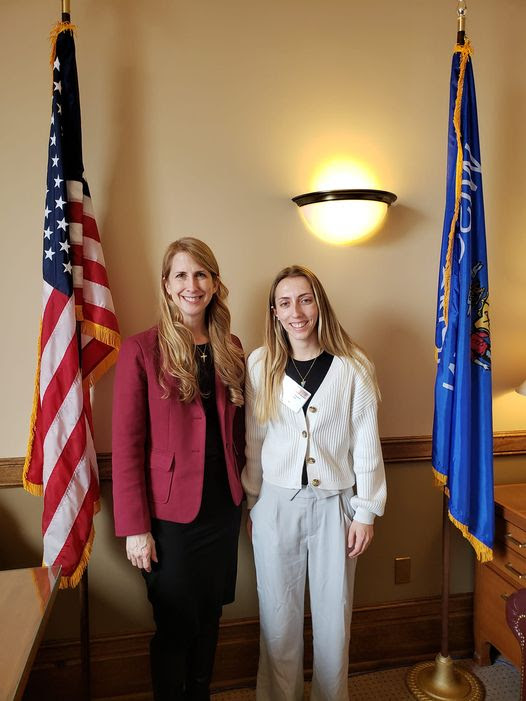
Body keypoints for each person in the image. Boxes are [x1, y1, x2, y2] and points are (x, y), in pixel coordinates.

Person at [242, 265, 386, 701]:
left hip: (336, 507)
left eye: (305, 299)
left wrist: (365, 511)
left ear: (319, 303)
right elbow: (254, 438)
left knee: (332, 621)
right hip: (275, 505)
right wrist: (254, 503)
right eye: (285, 303)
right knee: (278, 618)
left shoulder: (354, 366)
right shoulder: (261, 364)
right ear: (274, 312)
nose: (296, 311)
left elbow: (365, 442)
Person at [112, 237, 245, 701]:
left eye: (201, 274)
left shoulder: (231, 346)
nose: (193, 284)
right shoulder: (141, 349)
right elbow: (127, 445)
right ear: (167, 286)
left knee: (210, 616)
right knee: (174, 622)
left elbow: (241, 434)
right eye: (182, 276)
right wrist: (135, 528)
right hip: (168, 518)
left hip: (222, 507)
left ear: (214, 283)